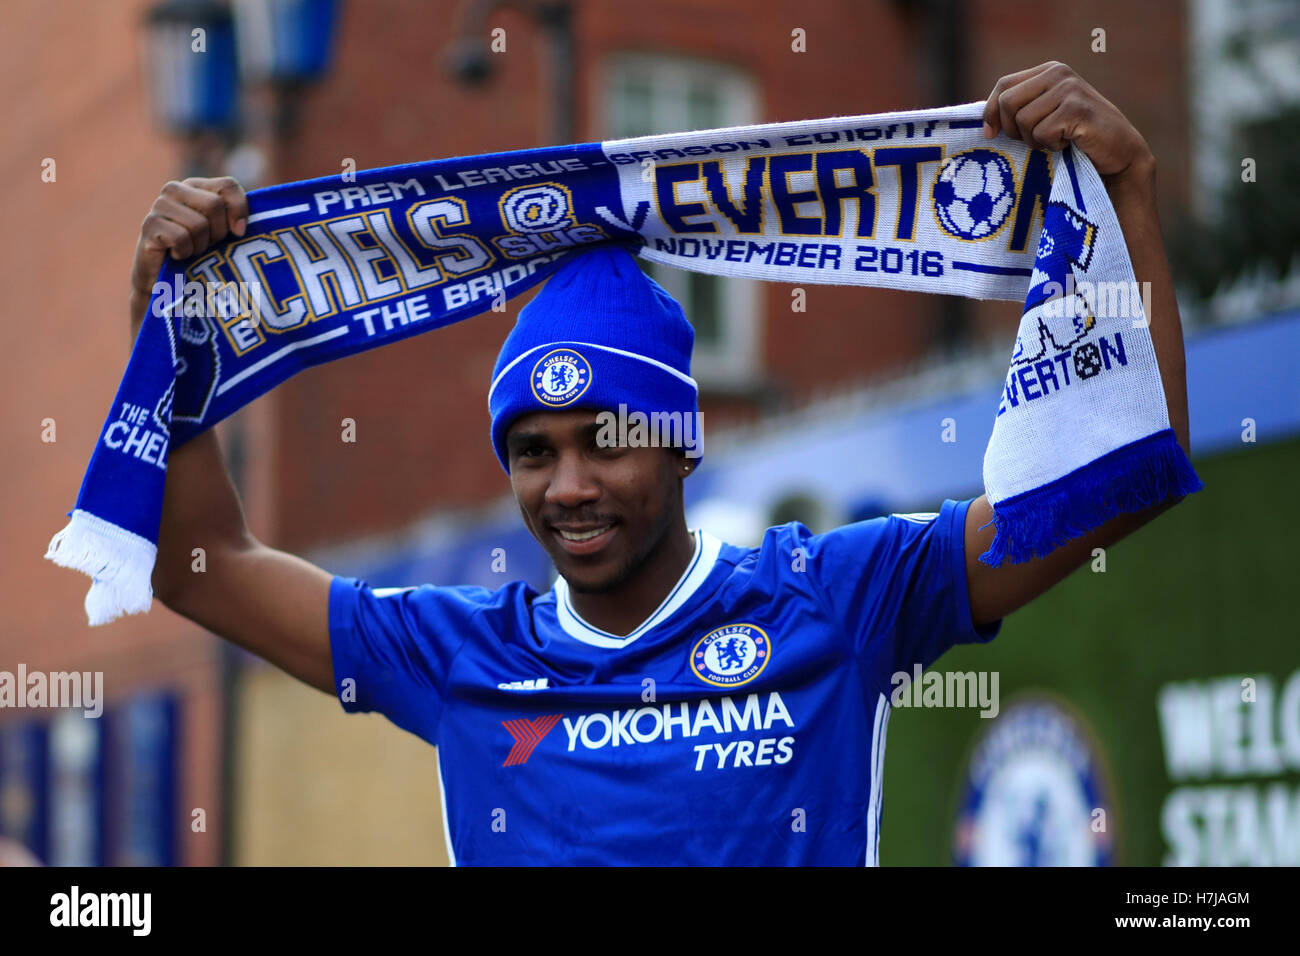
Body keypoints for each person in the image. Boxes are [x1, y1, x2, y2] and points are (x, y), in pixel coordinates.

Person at [131, 62, 1189, 865]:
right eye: (533, 451)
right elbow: (197, 563)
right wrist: (166, 321)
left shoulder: (833, 598)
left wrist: (1127, 192)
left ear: (681, 443)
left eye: (607, 437)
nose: (570, 485)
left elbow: (1113, 478)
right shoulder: (456, 651)